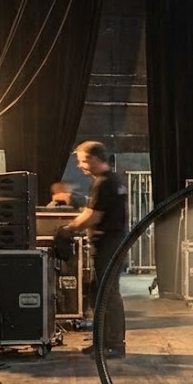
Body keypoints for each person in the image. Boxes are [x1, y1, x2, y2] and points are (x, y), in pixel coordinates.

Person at [61, 141, 128, 358]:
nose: (80, 165)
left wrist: (69, 229)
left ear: (94, 159)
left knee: (108, 293)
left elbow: (93, 216)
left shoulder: (103, 184)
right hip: (112, 244)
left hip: (108, 245)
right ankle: (102, 342)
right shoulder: (112, 180)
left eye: (82, 160)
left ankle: (114, 344)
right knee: (98, 293)